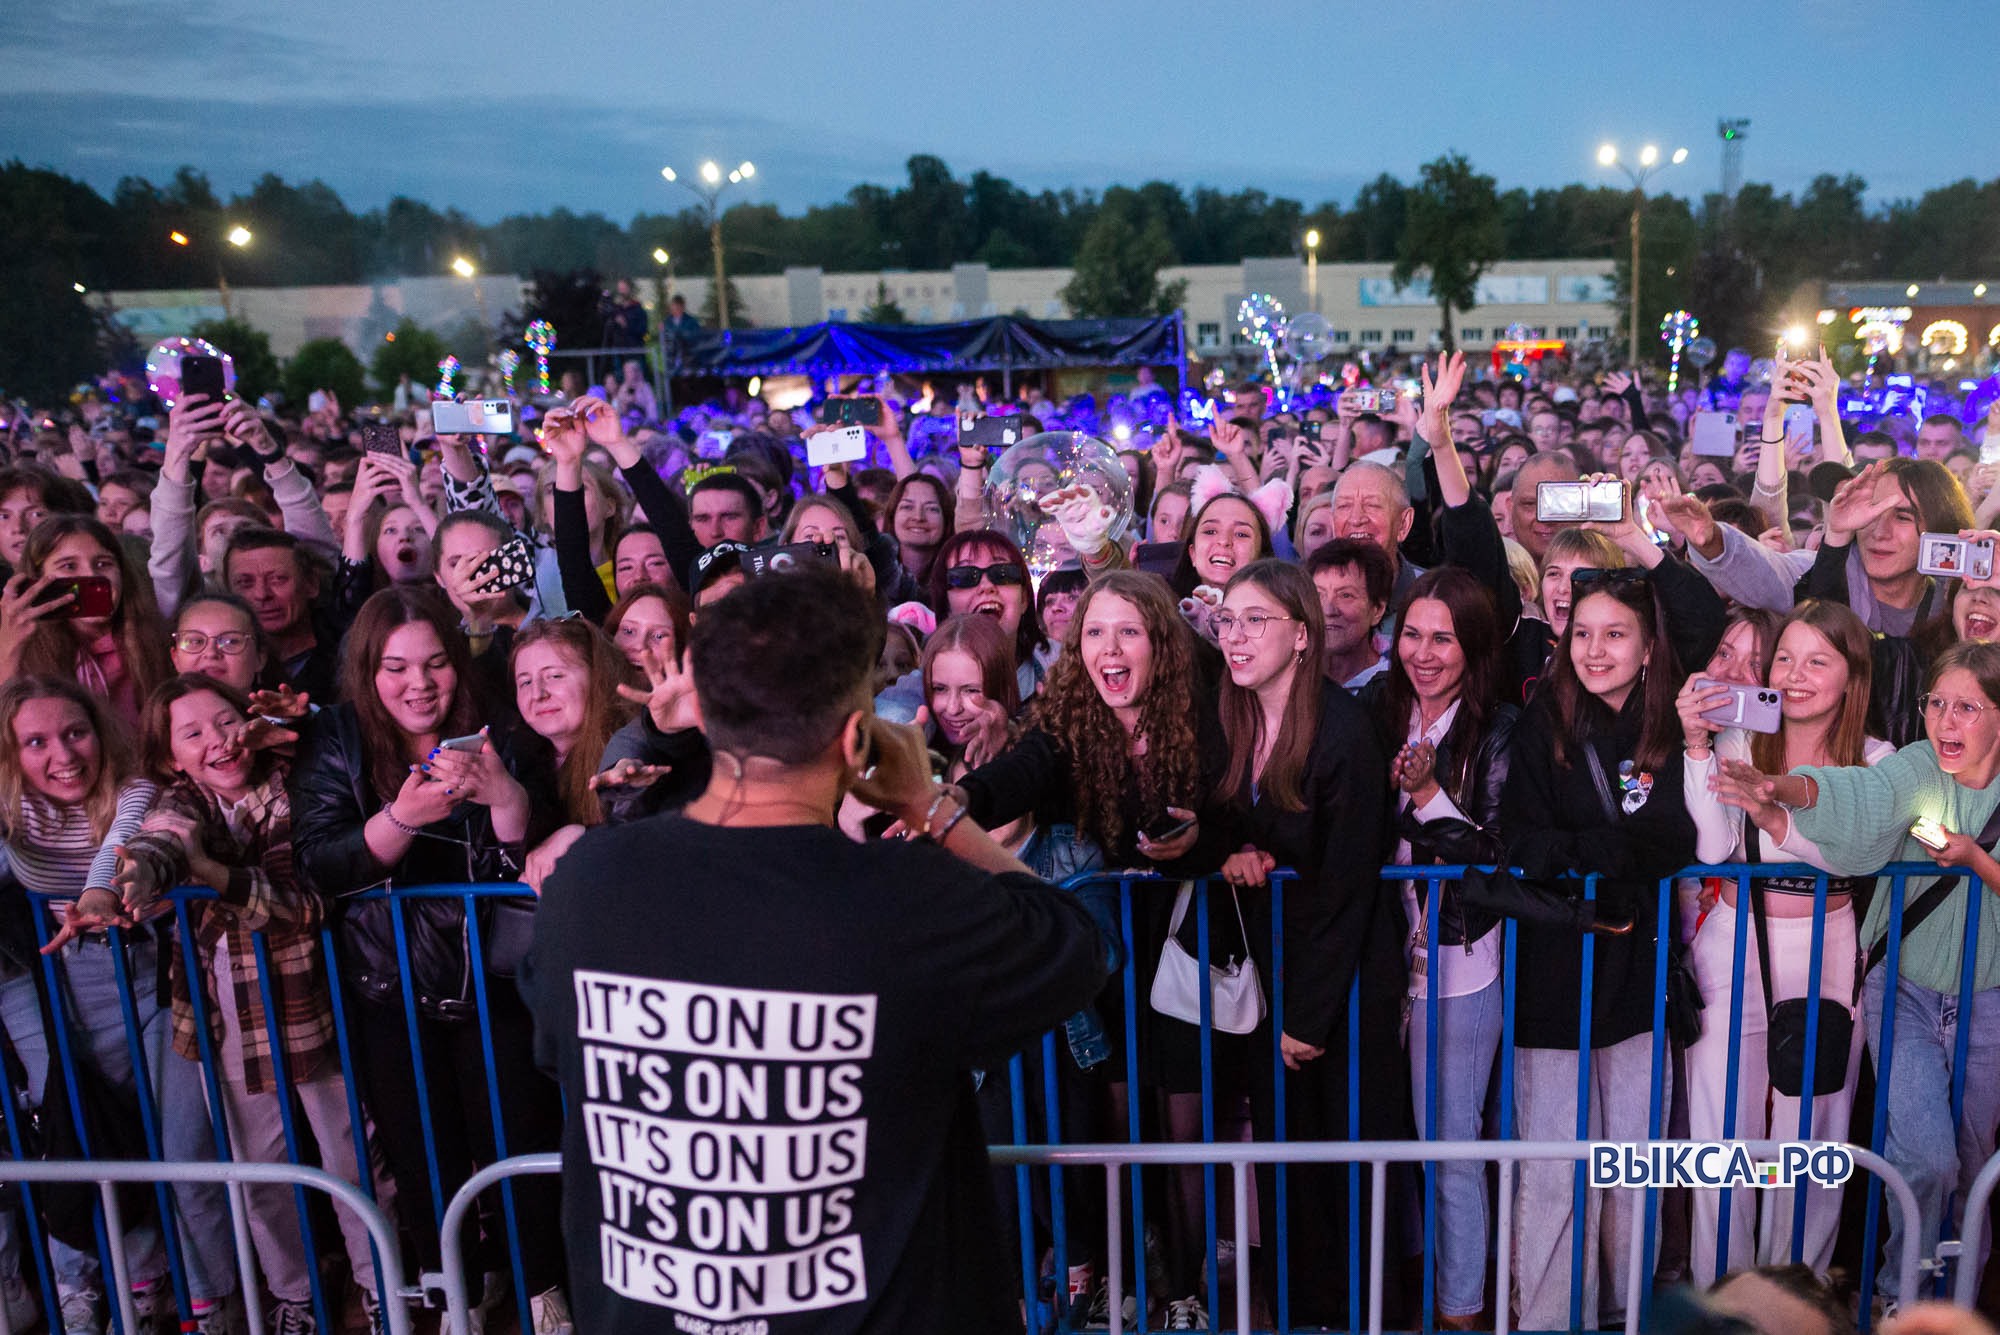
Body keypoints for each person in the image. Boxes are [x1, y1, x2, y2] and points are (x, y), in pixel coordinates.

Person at [520, 566, 1103, 1335]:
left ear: (708, 712)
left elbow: (564, 1054)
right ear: (859, 736)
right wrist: (926, 803)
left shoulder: (585, 887)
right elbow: (1071, 939)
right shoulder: (905, 900)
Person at [287, 587, 571, 1331]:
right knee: (422, 1158)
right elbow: (318, 861)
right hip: (390, 983)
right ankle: (458, 1296)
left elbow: (537, 844)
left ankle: (541, 1290)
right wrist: (399, 820)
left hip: (496, 977)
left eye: (436, 663)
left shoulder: (502, 723)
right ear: (367, 672)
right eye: (397, 667)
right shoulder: (338, 737)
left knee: (517, 1143)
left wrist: (503, 790)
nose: (420, 684)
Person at [118, 675, 386, 1332]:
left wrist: (216, 876)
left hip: (317, 1002)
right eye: (194, 733)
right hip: (228, 1011)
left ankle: (380, 1287)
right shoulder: (181, 804)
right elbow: (161, 839)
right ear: (168, 758)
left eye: (225, 718)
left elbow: (308, 903)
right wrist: (136, 875)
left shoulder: (296, 783)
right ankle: (294, 1294)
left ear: (251, 720)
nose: (218, 739)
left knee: (352, 1156)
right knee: (258, 1168)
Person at [1737, 643, 2000, 1307]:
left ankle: (1956, 1307)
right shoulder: (1915, 766)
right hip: (1903, 989)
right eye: (1935, 701)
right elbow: (1862, 792)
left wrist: (1974, 857)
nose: (1945, 718)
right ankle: (1897, 1302)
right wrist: (1787, 788)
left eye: (1966, 705)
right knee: (1928, 1160)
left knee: (1971, 1174)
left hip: (1991, 1000)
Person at [0, 677, 237, 1334]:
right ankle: (143, 1292)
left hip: (158, 990)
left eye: (75, 732)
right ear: (11, 754)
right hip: (67, 1005)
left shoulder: (132, 790)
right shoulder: (12, 811)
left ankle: (215, 1298)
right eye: (36, 741)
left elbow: (122, 842)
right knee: (99, 1149)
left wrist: (100, 896)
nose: (64, 753)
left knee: (184, 1153)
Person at [1209, 559, 1400, 1327]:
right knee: (1288, 1166)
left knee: (1348, 1164)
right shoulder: (1232, 716)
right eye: (1227, 620)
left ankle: (1362, 1315)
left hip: (1340, 984)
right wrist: (1227, 847)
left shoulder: (1344, 730)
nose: (1236, 636)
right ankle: (1301, 1313)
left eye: (1256, 620)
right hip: (1275, 975)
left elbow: (1347, 887)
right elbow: (1215, 810)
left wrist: (1308, 1017)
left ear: (1300, 634)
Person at [1503, 568, 1696, 1330]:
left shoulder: (1670, 726)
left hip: (1639, 967)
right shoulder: (1539, 720)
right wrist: (1615, 850)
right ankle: (1553, 1317)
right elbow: (1523, 841)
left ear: (1649, 645)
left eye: (1615, 633)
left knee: (1632, 1159)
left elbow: (1675, 837)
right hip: (1554, 971)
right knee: (1554, 1166)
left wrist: (1591, 851)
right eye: (1582, 632)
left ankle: (1625, 1312)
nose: (1595, 648)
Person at [1678, 601, 1886, 1284]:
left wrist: (1777, 814)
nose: (1794, 675)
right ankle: (1723, 1304)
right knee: (1720, 1139)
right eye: (1785, 658)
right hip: (1731, 945)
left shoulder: (1877, 759)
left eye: (1816, 660)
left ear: (1852, 677)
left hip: (1827, 948)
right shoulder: (1741, 738)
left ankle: (1795, 1307)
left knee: (1812, 1142)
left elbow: (1854, 852)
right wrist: (1698, 744)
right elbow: (1712, 848)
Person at [1365, 566, 1515, 1328]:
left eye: (1443, 638)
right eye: (1412, 634)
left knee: (1452, 1145)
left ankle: (1461, 1310)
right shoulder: (1376, 711)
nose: (1423, 652)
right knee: (1409, 1140)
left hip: (1460, 962)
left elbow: (1489, 855)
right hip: (1384, 956)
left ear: (1475, 646)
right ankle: (1414, 1291)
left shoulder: (1499, 731)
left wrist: (1427, 794)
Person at [0, 514, 174, 728]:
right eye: (69, 566)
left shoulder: (157, 641)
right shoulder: (20, 649)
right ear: (38, 581)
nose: (91, 575)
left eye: (103, 564)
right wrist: (10, 649)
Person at [1305, 539, 1392, 691]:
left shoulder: (1393, 685)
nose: (1328, 610)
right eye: (1318, 594)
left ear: (1377, 610)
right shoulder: (1293, 677)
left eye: (1345, 595)